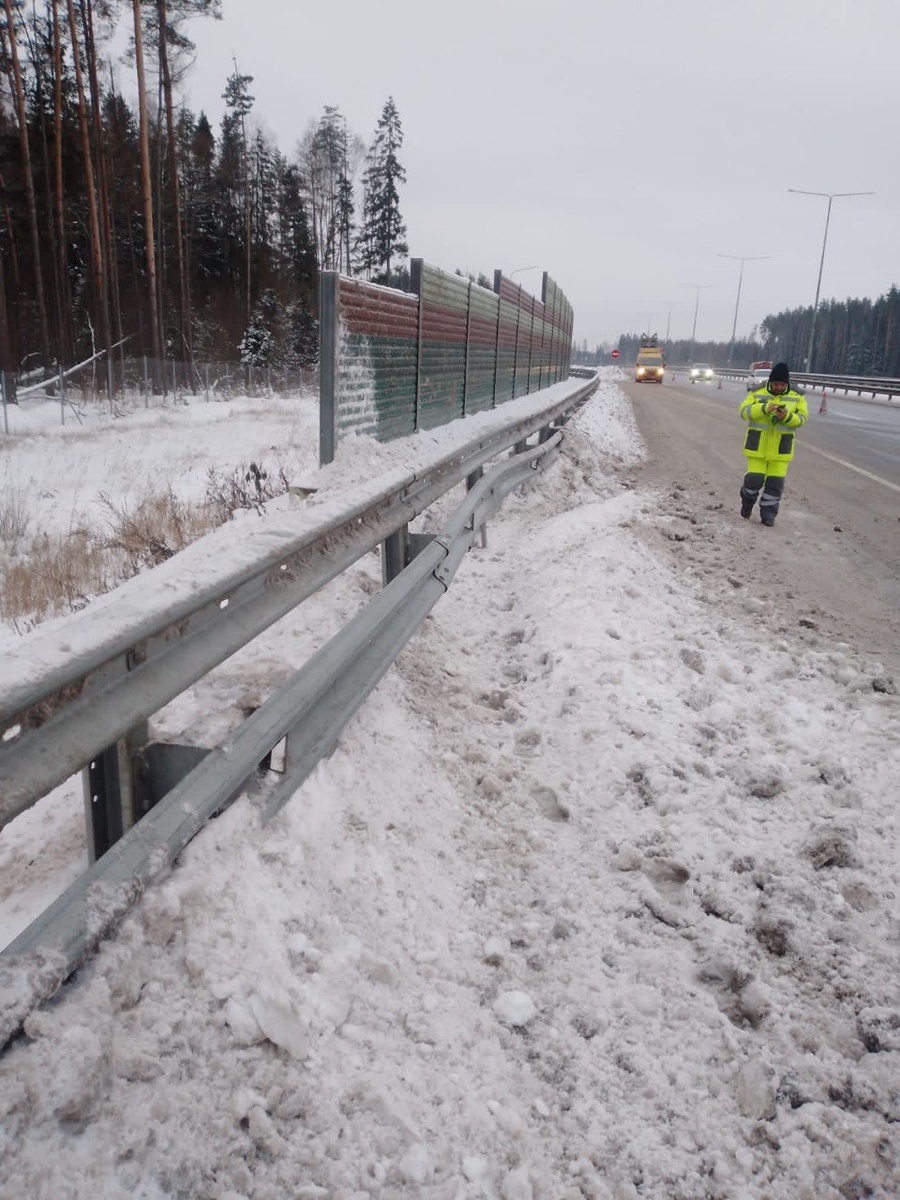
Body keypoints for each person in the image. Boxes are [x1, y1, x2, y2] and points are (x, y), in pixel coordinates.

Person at [738, 361, 808, 526]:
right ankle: (747, 503)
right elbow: (743, 412)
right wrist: (763, 408)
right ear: (770, 382)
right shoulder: (757, 392)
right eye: (776, 384)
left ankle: (768, 515)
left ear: (787, 383)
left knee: (774, 485)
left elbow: (803, 419)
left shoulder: (797, 396)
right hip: (757, 446)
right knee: (754, 481)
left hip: (781, 450)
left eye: (782, 384)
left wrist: (788, 417)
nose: (778, 387)